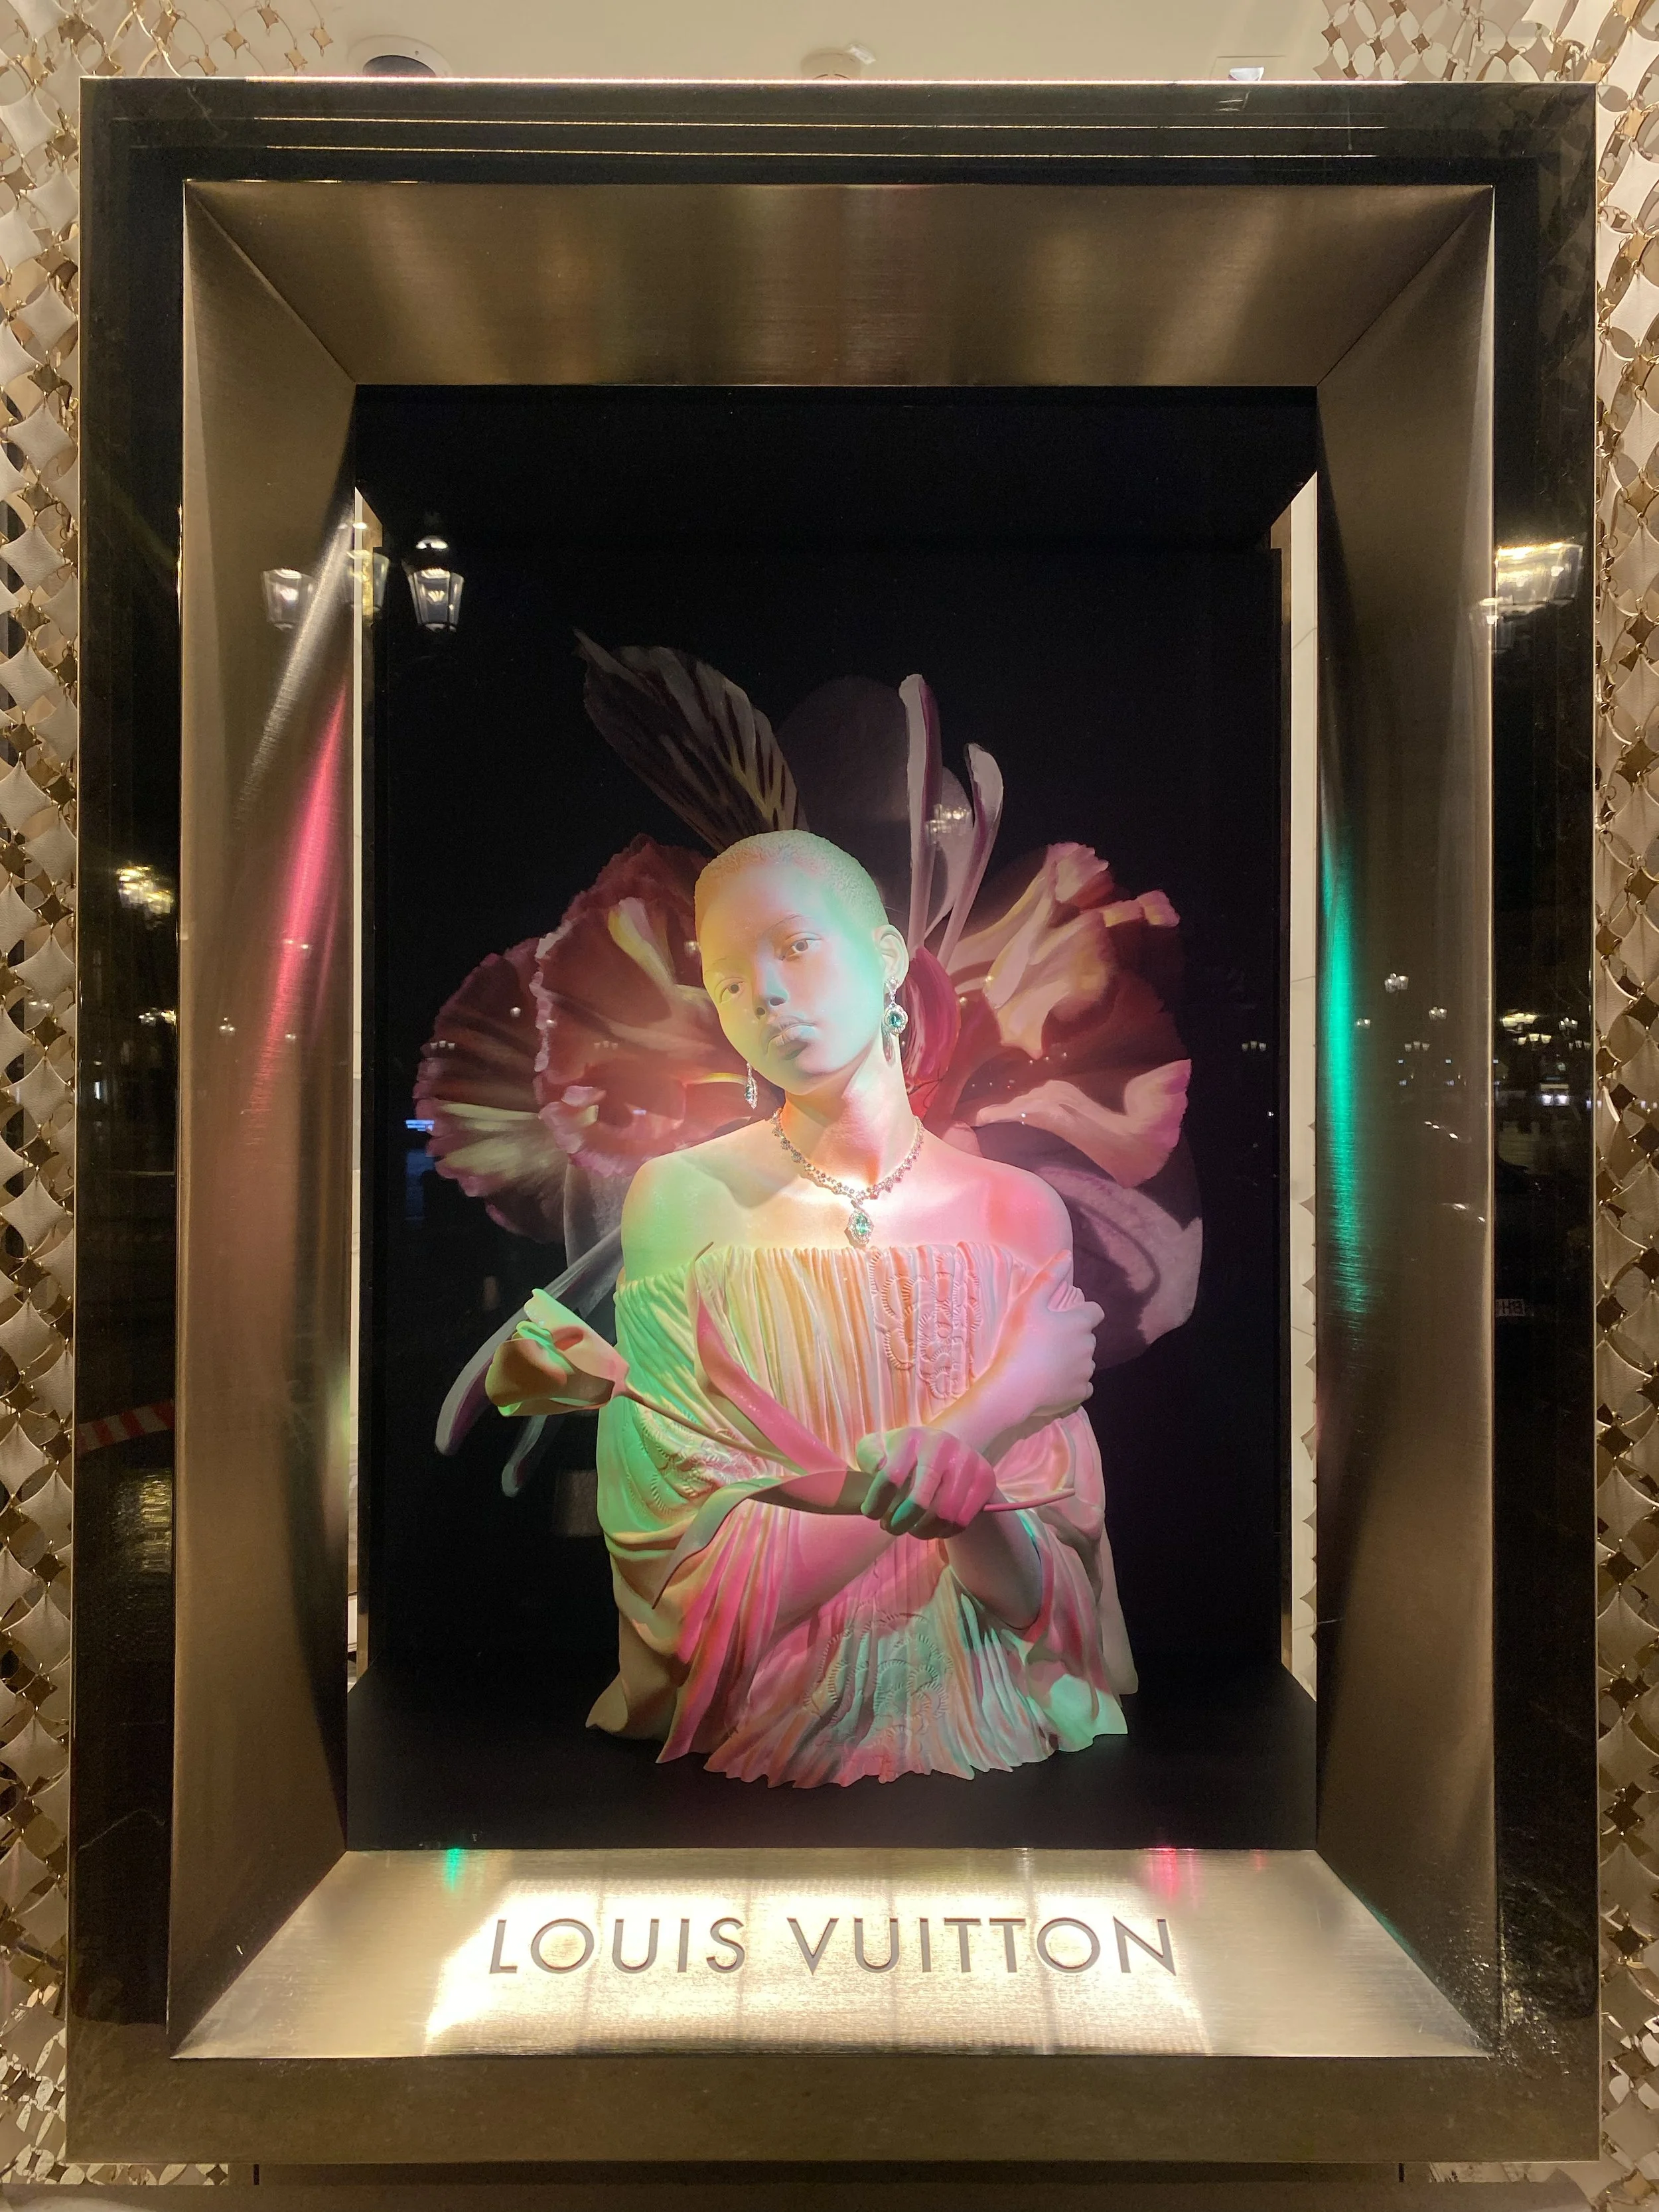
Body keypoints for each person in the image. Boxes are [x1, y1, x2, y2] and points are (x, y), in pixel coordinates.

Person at [489, 830, 1136, 1788]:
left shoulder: (1016, 1214)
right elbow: (690, 1586)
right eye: (727, 979)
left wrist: (947, 1481)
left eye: (794, 946)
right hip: (758, 1717)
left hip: (991, 1725)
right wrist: (992, 1414)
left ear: (884, 960)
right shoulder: (681, 1201)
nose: (766, 997)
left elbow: (1041, 1601)